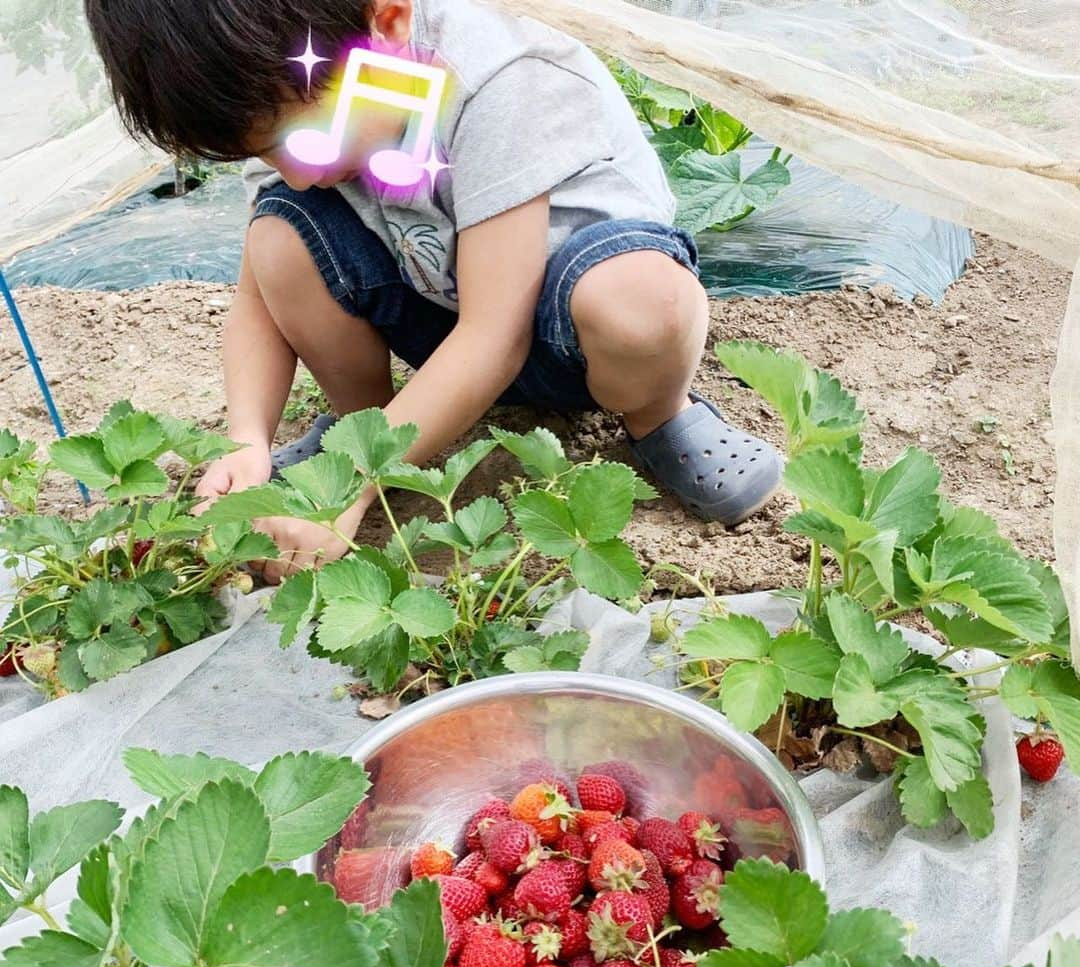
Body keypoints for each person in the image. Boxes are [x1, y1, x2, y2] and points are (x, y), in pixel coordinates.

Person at [86, 0, 782, 583]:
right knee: (278, 241)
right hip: (443, 312)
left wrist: (350, 489)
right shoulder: (290, 82)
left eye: (299, 142)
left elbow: (495, 336)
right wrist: (247, 440)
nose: (292, 174)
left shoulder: (496, 74)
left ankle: (658, 416)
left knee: (643, 303)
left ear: (385, 24)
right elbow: (255, 301)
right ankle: (365, 422)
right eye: (264, 155)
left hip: (569, 322)